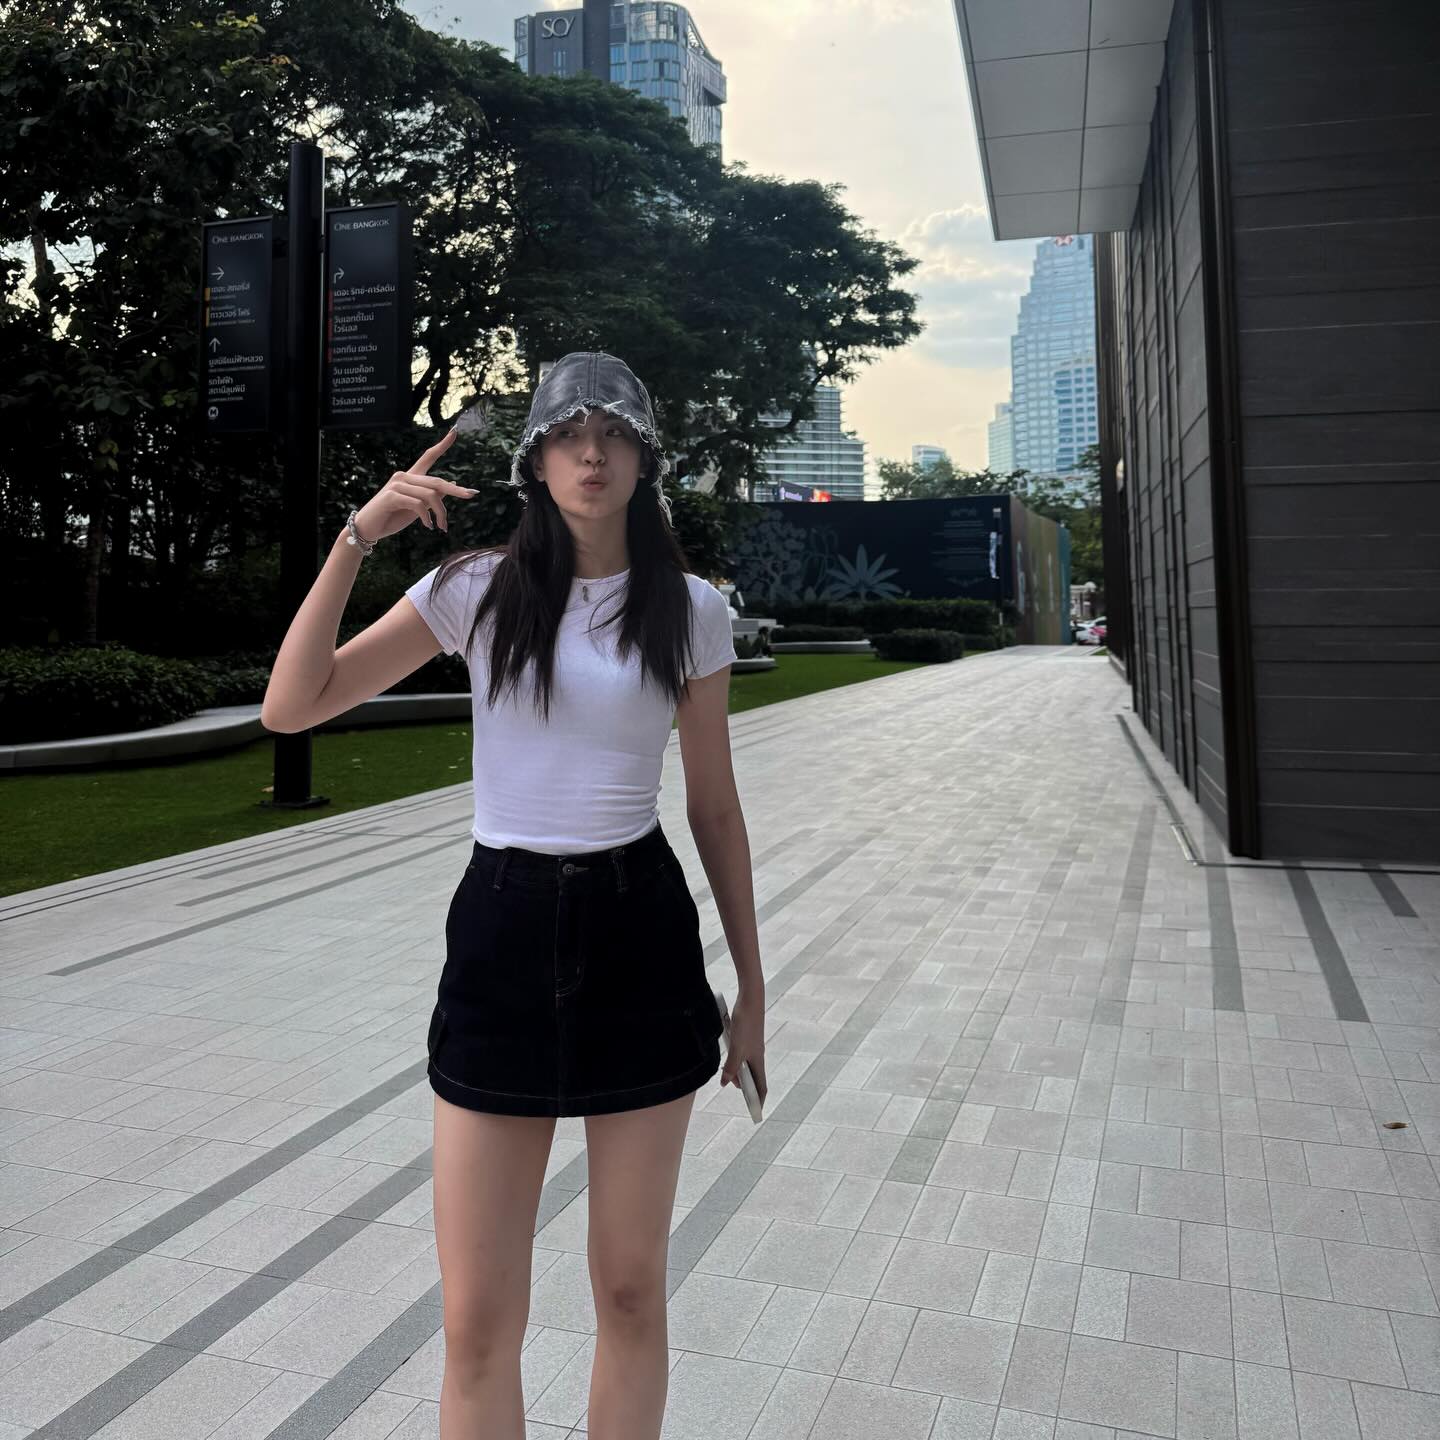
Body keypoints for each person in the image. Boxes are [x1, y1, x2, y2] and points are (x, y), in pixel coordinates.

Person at [260, 351, 768, 1440]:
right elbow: (293, 706)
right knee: (478, 1320)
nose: (593, 455)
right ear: (535, 461)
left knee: (629, 1289)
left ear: (645, 459)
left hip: (640, 933)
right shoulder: (474, 591)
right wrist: (357, 537)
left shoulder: (690, 610)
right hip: (503, 930)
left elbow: (714, 808)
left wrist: (754, 992)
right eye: (569, 436)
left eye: (615, 434)